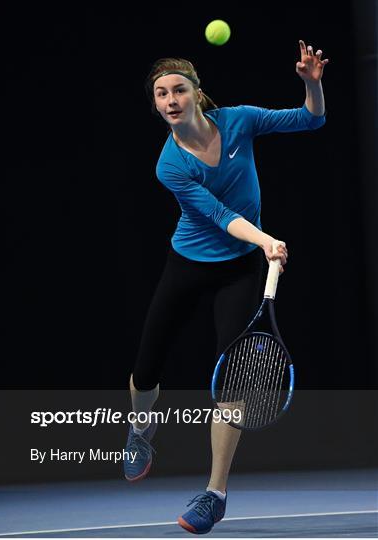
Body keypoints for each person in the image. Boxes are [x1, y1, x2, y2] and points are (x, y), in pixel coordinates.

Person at [123, 40, 328, 535]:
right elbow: (219, 215)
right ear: (155, 104)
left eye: (179, 90)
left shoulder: (239, 120)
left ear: (197, 94)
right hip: (188, 262)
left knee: (233, 380)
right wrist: (266, 240)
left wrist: (312, 85)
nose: (170, 99)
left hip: (240, 270)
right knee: (146, 367)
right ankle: (140, 428)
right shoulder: (170, 165)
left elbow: (310, 119)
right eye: (161, 94)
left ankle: (214, 494)